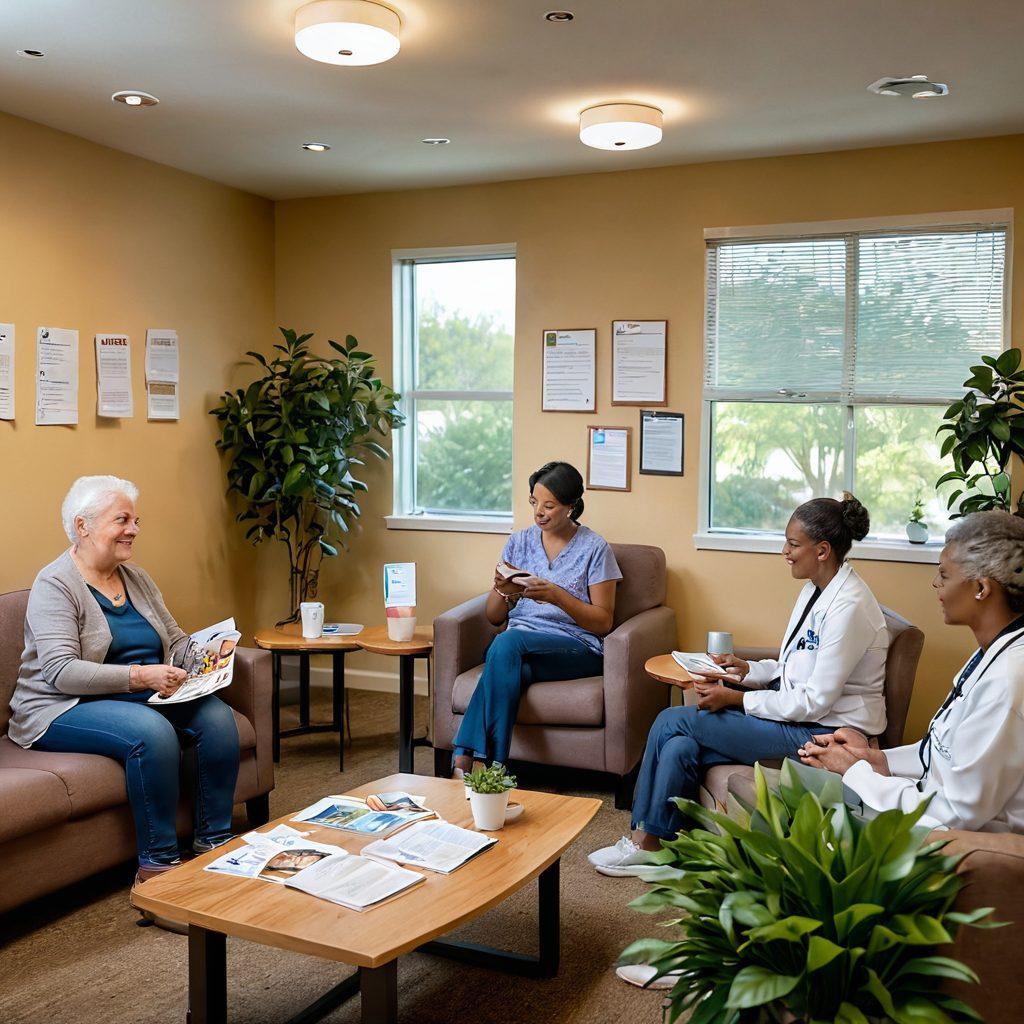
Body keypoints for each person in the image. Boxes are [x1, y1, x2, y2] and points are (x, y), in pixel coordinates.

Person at [590, 492, 888, 882]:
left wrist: (738, 698)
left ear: (822, 550)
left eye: (793, 544)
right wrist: (746, 670)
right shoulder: (817, 589)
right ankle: (660, 848)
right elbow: (791, 665)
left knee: (669, 721)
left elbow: (814, 701)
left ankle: (639, 842)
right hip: (800, 718)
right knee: (681, 744)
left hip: (822, 734)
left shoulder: (849, 607)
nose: (785, 551)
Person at [8, 475, 240, 886]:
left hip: (134, 694)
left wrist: (208, 653)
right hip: (60, 705)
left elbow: (175, 639)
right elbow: (61, 671)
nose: (133, 529)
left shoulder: (136, 578)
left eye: (136, 520)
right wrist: (139, 676)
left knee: (217, 718)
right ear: (84, 526)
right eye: (122, 520)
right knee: (151, 733)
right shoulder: (56, 583)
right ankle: (158, 870)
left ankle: (214, 845)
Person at [800, 510, 1024, 833]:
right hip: (924, 812)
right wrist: (877, 760)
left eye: (944, 576)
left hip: (948, 844)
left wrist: (855, 772)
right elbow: (940, 752)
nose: (936, 584)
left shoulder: (1009, 680)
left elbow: (955, 813)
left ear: (980, 589)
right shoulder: (991, 654)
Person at [451, 461, 621, 775]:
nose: (538, 512)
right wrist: (502, 591)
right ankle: (495, 765)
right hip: (518, 646)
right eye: (534, 502)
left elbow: (603, 622)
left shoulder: (596, 549)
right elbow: (493, 617)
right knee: (508, 656)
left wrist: (556, 595)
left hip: (576, 648)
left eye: (549, 505)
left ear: (570, 507)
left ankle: (468, 755)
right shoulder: (519, 542)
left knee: (507, 642)